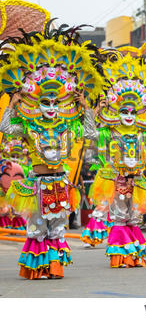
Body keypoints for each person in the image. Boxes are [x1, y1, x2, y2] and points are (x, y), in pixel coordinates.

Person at [0, 21, 104, 279]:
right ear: (37, 101)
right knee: (37, 226)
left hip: (60, 182)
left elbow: (91, 132)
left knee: (57, 226)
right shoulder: (28, 126)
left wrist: (85, 107)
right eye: (45, 101)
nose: (50, 106)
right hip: (37, 183)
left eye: (55, 101)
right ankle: (38, 268)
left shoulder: (66, 128)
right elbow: (4, 127)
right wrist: (13, 103)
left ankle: (53, 267)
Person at [86, 52, 146, 268]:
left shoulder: (142, 132)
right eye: (123, 110)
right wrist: (95, 110)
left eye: (132, 110)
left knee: (134, 218)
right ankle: (121, 256)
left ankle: (134, 255)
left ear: (138, 111)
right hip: (119, 180)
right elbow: (88, 134)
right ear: (116, 111)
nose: (128, 114)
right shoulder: (110, 131)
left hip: (137, 181)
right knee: (120, 217)